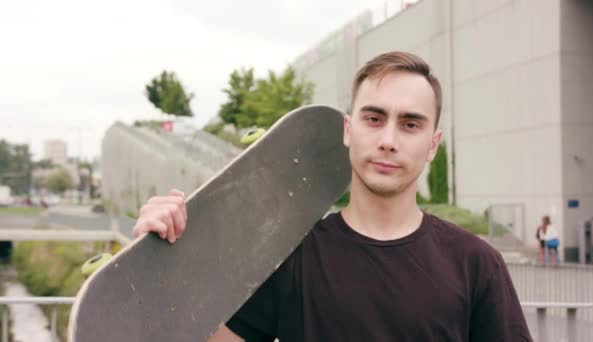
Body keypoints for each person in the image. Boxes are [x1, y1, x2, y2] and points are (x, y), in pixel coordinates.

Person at [133, 51, 532, 341]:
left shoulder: (475, 264)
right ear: (347, 130)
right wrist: (162, 265)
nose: (388, 140)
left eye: (410, 124)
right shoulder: (292, 255)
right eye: (374, 119)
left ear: (433, 144)